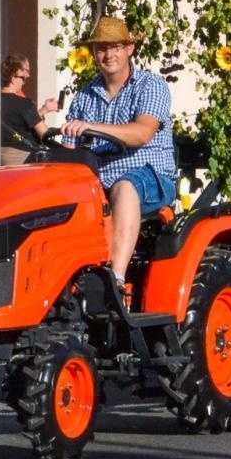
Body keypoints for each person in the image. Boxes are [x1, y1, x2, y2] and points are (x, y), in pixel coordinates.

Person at [61, 16, 176, 290]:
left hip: (150, 178)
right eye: (101, 48)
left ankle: (115, 281)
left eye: (115, 47)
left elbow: (142, 132)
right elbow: (69, 152)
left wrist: (91, 127)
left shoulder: (150, 85)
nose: (108, 54)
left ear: (129, 49)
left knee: (125, 187)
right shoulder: (84, 96)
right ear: (93, 52)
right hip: (98, 185)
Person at [0, 54, 59, 166]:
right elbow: (45, 134)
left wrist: (44, 110)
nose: (28, 76)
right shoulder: (24, 103)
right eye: (25, 73)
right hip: (24, 160)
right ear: (13, 76)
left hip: (0, 158)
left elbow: (21, 120)